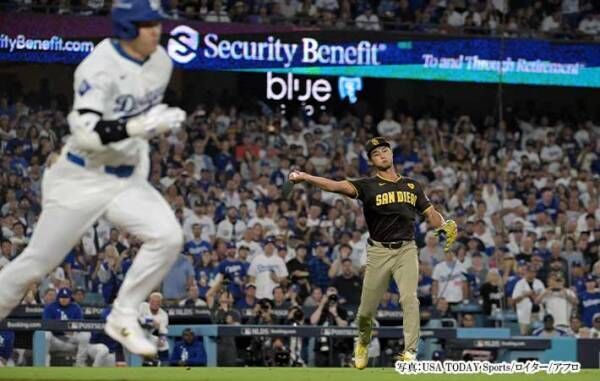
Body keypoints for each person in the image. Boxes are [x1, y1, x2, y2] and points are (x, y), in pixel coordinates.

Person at [0, 0, 186, 357]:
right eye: (147, 25)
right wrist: (139, 126)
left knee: (168, 236)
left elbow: (137, 119)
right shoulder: (97, 67)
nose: (156, 30)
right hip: (80, 178)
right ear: (127, 29)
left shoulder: (162, 61)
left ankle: (123, 314)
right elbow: (86, 134)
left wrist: (146, 126)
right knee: (36, 264)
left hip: (125, 180)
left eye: (157, 23)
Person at [288, 136, 456, 368]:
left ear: (392, 154)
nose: (382, 155)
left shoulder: (412, 185)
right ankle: (363, 342)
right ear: (371, 161)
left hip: (406, 250)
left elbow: (430, 213)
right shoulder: (367, 186)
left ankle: (410, 353)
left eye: (385, 151)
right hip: (378, 252)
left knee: (409, 299)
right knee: (366, 311)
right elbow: (335, 185)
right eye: (376, 154)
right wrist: (306, 177)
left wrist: (443, 224)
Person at [42, 288, 90, 366]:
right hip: (55, 340)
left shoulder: (76, 307)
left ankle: (80, 364)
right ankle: (44, 365)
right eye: (62, 297)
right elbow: (46, 324)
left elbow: (81, 325)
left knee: (85, 334)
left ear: (70, 298)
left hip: (71, 340)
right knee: (45, 334)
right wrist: (62, 330)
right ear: (58, 298)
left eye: (66, 298)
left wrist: (73, 330)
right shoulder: (50, 307)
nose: (64, 300)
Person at [139, 292, 169, 366]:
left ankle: (163, 364)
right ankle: (150, 361)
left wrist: (161, 340)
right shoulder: (143, 306)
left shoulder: (163, 314)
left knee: (164, 344)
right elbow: (137, 318)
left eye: (157, 302)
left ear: (161, 303)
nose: (155, 303)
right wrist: (150, 321)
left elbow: (163, 329)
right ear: (149, 301)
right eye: (153, 301)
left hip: (147, 336)